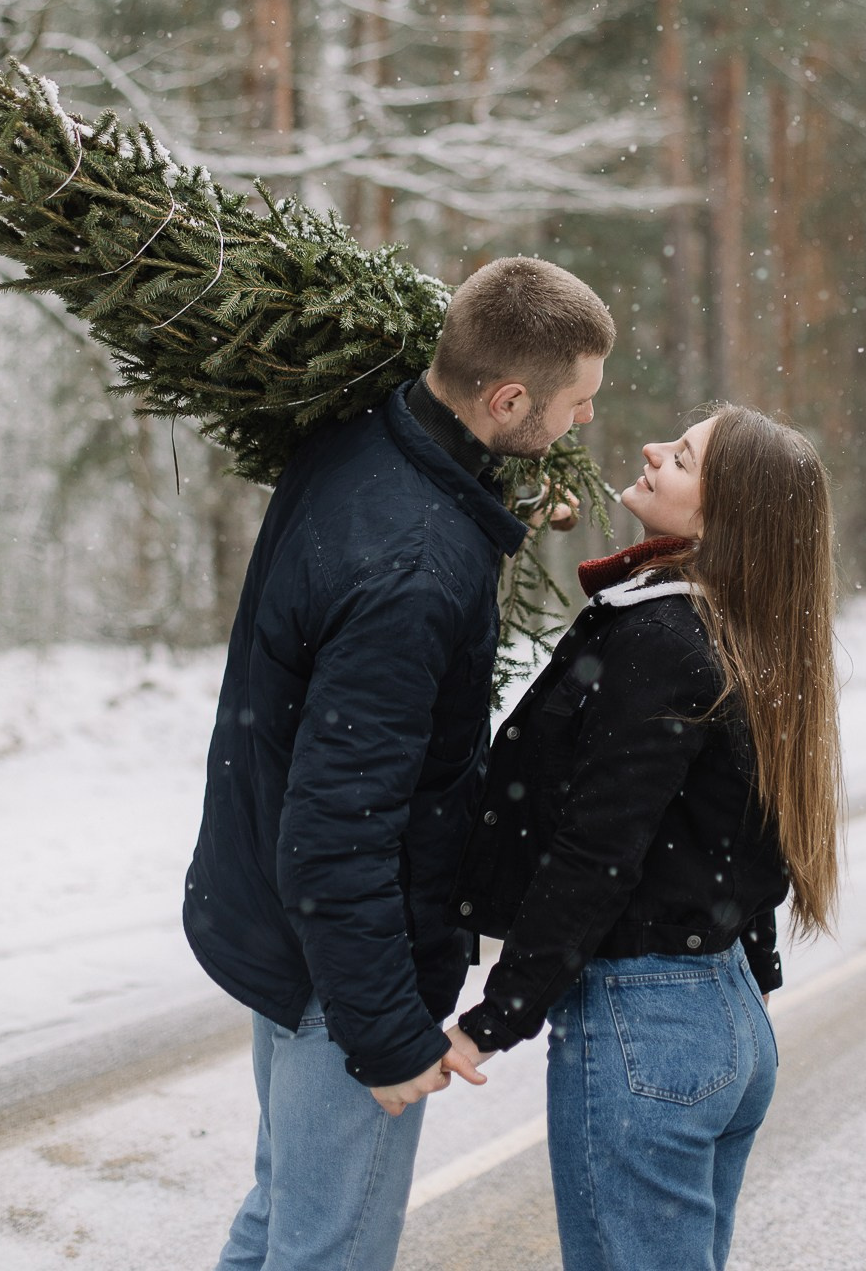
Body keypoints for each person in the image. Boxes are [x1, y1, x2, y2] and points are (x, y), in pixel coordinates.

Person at [183, 255, 615, 1271]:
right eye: (576, 402)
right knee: (328, 1248)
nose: (587, 420)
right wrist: (381, 1033)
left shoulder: (359, 444)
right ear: (507, 400)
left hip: (280, 927)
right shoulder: (416, 571)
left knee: (284, 1215)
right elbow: (340, 826)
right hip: (340, 968)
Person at [446, 404, 843, 1271]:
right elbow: (740, 833)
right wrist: (752, 973)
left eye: (685, 456)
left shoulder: (663, 638)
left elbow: (597, 851)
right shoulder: (741, 633)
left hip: (648, 1026)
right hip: (723, 1018)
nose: (654, 449)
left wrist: (495, 1017)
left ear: (722, 516)